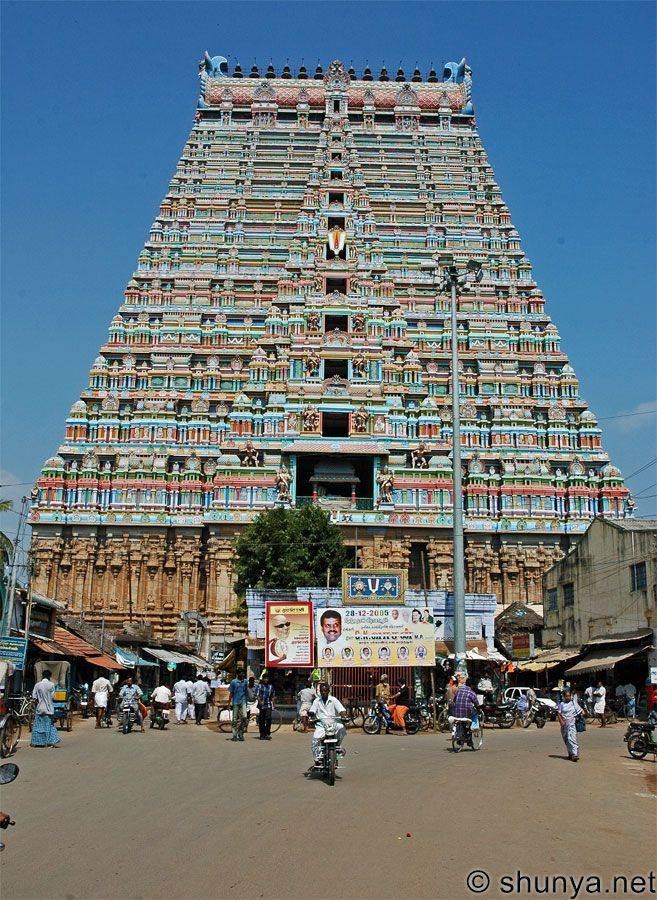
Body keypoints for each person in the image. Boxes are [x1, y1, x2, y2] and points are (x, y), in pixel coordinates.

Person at [308, 682, 347, 770]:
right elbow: (312, 711)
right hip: (321, 725)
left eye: (325, 691)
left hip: (333, 724)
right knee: (315, 739)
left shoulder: (334, 700)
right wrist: (311, 714)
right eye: (322, 691)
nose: (324, 693)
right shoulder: (317, 701)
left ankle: (337, 745)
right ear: (320, 692)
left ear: (328, 691)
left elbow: (341, 710)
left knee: (341, 728)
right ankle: (317, 759)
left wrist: (344, 715)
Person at [31, 669, 60, 748]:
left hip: (39, 708)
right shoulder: (51, 685)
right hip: (49, 709)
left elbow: (34, 696)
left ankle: (37, 742)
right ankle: (48, 742)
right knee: (49, 726)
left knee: (38, 726)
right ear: (50, 676)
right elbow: (53, 697)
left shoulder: (37, 685)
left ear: (42, 676)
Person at [557, 687, 583, 761]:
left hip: (572, 724)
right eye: (566, 696)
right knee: (567, 740)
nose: (568, 697)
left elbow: (580, 711)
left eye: (569, 696)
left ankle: (575, 754)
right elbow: (559, 714)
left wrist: (582, 714)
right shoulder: (561, 704)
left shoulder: (574, 704)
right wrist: (561, 721)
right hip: (564, 725)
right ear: (564, 696)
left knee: (572, 739)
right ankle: (571, 754)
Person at [228, 670, 248, 741]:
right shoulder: (233, 682)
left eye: (243, 673)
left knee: (245, 717)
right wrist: (229, 702)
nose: (242, 674)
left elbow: (246, 691)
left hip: (243, 701)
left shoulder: (245, 681)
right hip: (235, 702)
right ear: (237, 674)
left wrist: (247, 701)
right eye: (241, 673)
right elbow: (231, 693)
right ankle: (234, 735)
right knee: (234, 719)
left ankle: (240, 732)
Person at [255, 672, 275, 740]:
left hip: (268, 704)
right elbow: (257, 695)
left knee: (269, 719)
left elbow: (272, 696)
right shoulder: (259, 686)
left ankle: (267, 733)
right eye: (265, 678)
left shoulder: (271, 686)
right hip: (262, 705)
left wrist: (273, 704)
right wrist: (260, 701)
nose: (266, 680)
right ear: (263, 679)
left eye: (267, 678)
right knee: (262, 720)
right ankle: (262, 734)